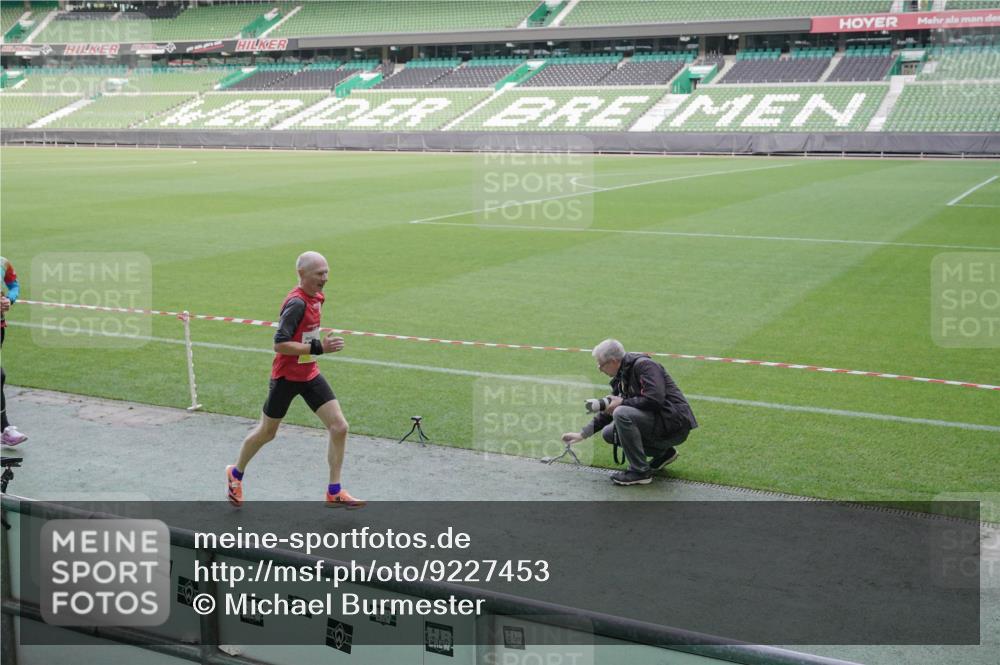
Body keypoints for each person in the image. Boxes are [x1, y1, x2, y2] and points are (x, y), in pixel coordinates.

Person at [226, 251, 365, 508]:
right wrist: (318, 348)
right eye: (319, 274)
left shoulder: (317, 297)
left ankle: (334, 491)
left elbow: (305, 336)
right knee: (267, 433)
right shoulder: (297, 304)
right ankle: (235, 473)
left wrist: (315, 349)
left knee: (339, 427)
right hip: (286, 378)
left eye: (327, 272)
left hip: (309, 374)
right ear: (302, 274)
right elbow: (280, 345)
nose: (325, 278)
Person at [562, 339, 697, 486]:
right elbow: (609, 411)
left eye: (600, 364)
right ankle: (664, 453)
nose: (599, 369)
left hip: (675, 425)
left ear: (613, 361)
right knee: (609, 433)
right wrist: (582, 434)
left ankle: (640, 472)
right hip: (661, 424)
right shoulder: (622, 375)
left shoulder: (645, 365)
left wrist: (621, 403)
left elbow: (655, 399)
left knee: (621, 413)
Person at [1, 256, 28, 447]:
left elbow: (14, 285)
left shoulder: (3, 263)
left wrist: (9, 300)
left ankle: (4, 430)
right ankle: (5, 428)